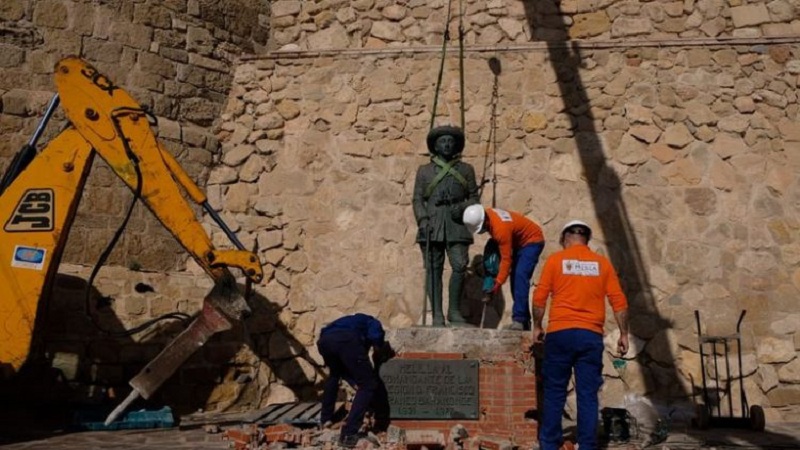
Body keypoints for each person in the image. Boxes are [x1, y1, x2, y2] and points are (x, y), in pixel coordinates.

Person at [531, 220, 630, 450]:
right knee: (587, 394)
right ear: (587, 239)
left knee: (554, 391)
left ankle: (549, 444)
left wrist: (537, 326)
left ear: (565, 238)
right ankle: (587, 445)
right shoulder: (602, 264)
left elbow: (539, 297)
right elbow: (619, 301)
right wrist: (624, 334)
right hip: (590, 336)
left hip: (560, 334)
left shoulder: (555, 260)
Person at [412, 125, 479, 327]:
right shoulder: (424, 171)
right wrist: (423, 220)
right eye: (442, 141)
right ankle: (437, 315)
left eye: (450, 141)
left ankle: (454, 311)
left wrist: (462, 207)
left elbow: (474, 198)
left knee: (460, 265)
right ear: (435, 146)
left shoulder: (466, 170)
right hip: (432, 224)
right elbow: (417, 199)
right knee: (433, 269)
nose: (447, 144)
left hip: (457, 224)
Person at [462, 204, 545, 330]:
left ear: (484, 222)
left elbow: (506, 260)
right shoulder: (488, 215)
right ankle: (524, 322)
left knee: (520, 276)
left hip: (532, 241)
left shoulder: (500, 230)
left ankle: (519, 320)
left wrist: (498, 283)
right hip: (519, 243)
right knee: (515, 281)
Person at [317, 313, 394, 447]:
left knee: (334, 375)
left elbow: (347, 370)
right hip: (347, 340)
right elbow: (376, 335)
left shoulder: (350, 322)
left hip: (325, 341)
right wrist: (379, 346)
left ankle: (325, 419)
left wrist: (355, 383)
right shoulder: (371, 321)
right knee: (368, 385)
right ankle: (349, 433)